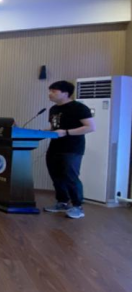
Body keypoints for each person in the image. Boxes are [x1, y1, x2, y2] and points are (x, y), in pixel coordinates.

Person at [44, 80, 96, 219]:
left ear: (65, 93)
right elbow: (55, 128)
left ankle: (78, 207)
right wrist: (41, 132)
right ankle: (62, 202)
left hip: (72, 148)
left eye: (54, 91)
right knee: (56, 176)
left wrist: (67, 132)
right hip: (54, 147)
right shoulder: (53, 109)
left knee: (70, 177)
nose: (50, 94)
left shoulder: (79, 108)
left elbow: (90, 127)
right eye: (50, 91)